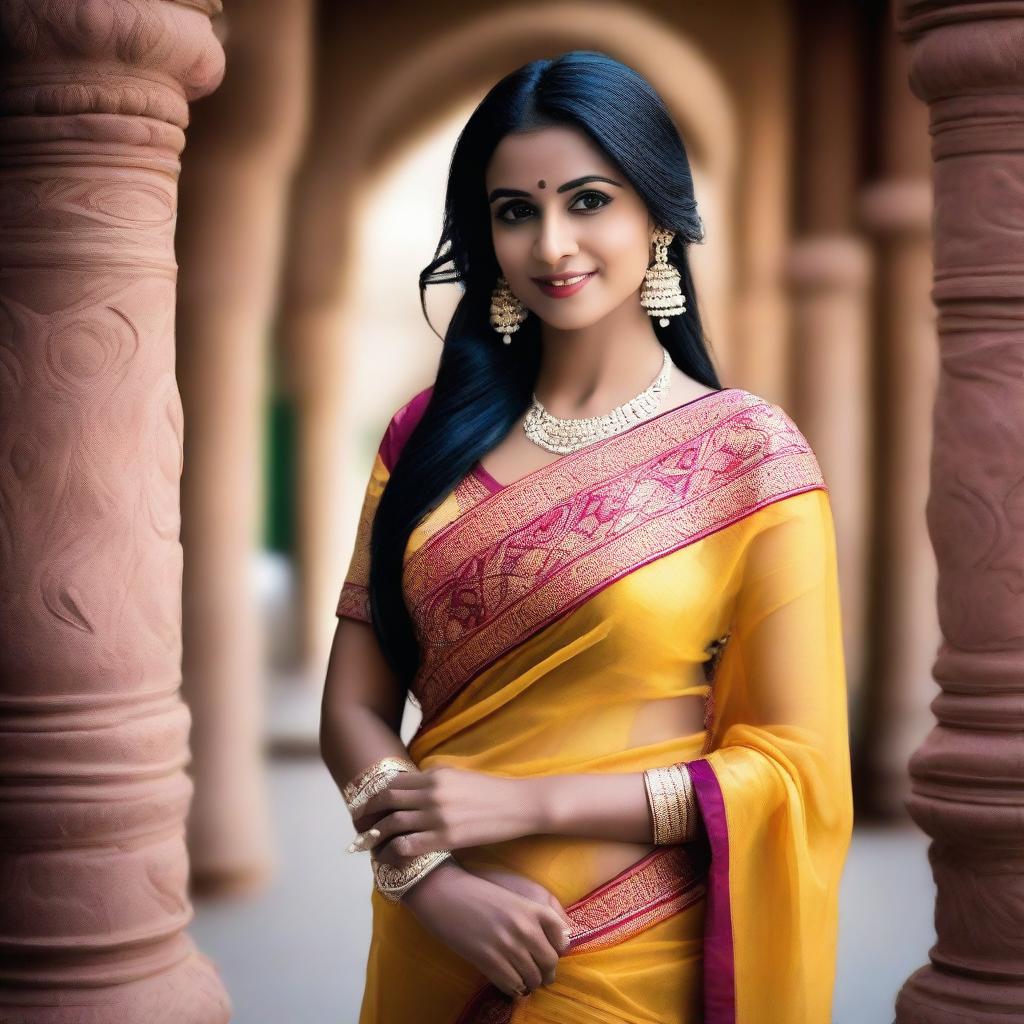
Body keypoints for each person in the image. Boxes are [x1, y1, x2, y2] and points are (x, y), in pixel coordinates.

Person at [319, 50, 853, 1024]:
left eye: (588, 200)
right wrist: (432, 880)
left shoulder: (746, 454)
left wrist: (527, 806)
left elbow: (791, 765)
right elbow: (351, 711)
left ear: (657, 214)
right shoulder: (422, 438)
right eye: (515, 210)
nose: (552, 242)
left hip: (634, 953)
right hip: (433, 949)